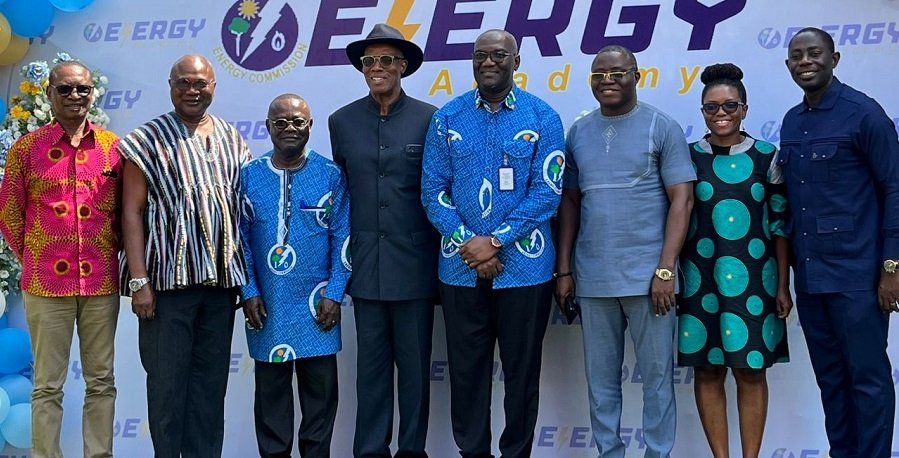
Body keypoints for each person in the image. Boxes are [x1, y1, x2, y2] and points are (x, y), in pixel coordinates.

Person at [421, 29, 564, 458]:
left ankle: (517, 453)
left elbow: (547, 192)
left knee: (522, 374)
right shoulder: (447, 118)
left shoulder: (543, 117)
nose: (488, 62)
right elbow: (433, 191)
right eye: (480, 55)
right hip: (460, 268)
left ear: (515, 61)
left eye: (499, 55)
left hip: (526, 269)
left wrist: (497, 241)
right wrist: (470, 243)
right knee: (466, 373)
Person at [555, 45, 695, 458]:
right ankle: (609, 452)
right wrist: (564, 270)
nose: (607, 80)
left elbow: (682, 201)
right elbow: (570, 203)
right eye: (599, 74)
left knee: (656, 380)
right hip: (593, 279)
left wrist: (665, 270)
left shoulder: (661, 127)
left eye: (617, 72)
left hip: (649, 280)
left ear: (636, 75)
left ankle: (658, 453)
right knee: (601, 384)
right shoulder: (578, 132)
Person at [119, 54, 251, 457]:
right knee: (167, 386)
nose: (192, 90)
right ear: (171, 85)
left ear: (214, 86)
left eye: (201, 83)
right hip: (165, 289)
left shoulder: (233, 138)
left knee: (210, 388)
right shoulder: (146, 140)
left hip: (219, 287)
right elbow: (131, 211)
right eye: (184, 83)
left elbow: (242, 212)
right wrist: (139, 281)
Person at [780, 27, 899, 457]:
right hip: (811, 278)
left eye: (814, 53)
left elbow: (895, 189)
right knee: (831, 379)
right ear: (789, 64)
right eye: (797, 56)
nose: (805, 61)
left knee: (867, 377)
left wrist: (892, 266)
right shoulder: (793, 121)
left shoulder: (864, 114)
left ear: (835, 58)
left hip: (859, 277)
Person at [0, 60, 122, 458]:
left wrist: (108, 249)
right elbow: (10, 214)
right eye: (65, 89)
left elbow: (126, 213)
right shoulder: (26, 150)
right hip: (45, 286)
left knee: (101, 380)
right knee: (47, 385)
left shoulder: (112, 148)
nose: (75, 96)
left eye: (83, 89)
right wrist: (36, 255)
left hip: (101, 283)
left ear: (93, 93)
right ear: (49, 94)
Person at [328, 23, 438, 458]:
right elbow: (342, 194)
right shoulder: (342, 121)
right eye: (369, 61)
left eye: (387, 60)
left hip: (415, 268)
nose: (377, 68)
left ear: (403, 67)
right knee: (370, 376)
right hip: (366, 270)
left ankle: (412, 451)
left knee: (414, 374)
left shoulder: (431, 118)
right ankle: (370, 451)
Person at [677, 63, 792, 458]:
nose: (720, 113)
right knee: (707, 369)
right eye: (711, 107)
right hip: (699, 280)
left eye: (730, 105)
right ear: (702, 111)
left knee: (750, 368)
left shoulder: (766, 156)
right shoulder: (687, 158)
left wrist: (782, 286)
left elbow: (779, 225)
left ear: (745, 109)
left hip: (756, 280)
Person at [240, 94, 350, 457]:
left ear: (310, 126)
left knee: (319, 404)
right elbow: (237, 241)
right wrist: (249, 290)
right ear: (268, 127)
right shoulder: (248, 177)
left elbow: (344, 239)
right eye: (281, 121)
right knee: (272, 406)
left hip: (319, 307)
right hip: (267, 308)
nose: (290, 128)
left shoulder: (331, 175)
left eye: (298, 122)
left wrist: (334, 294)